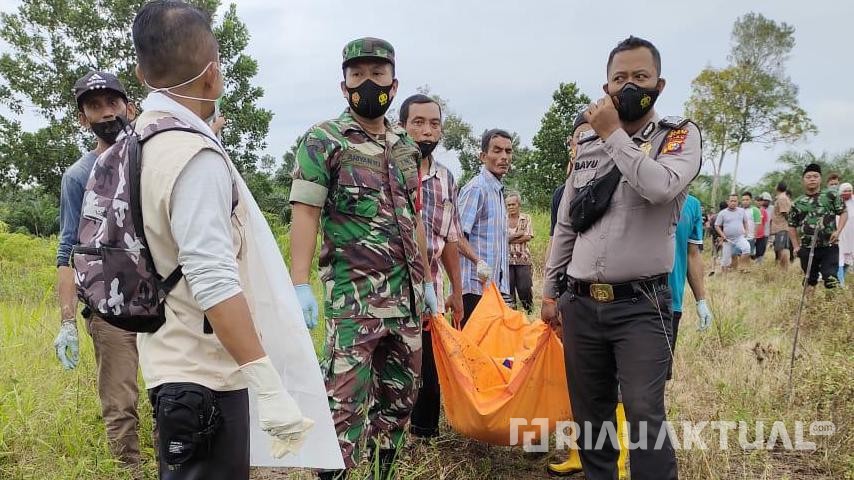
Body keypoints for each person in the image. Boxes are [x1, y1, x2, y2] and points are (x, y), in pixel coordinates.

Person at [131, 2, 320, 477]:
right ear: (212, 75)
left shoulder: (139, 142)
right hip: (204, 377)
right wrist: (269, 386)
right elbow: (213, 279)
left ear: (139, 73)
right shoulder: (192, 156)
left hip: (169, 363)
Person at [542, 35, 701, 480]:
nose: (629, 86)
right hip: (580, 304)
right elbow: (568, 223)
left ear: (659, 84)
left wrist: (613, 133)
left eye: (640, 77)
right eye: (619, 78)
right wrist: (550, 292)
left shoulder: (679, 136)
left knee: (644, 412)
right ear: (606, 85)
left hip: (641, 306)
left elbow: (660, 187)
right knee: (591, 415)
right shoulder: (585, 142)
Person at [288, 37, 438, 480]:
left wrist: (428, 281)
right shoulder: (324, 140)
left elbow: (413, 219)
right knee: (343, 406)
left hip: (405, 302)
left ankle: (382, 473)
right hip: (353, 305)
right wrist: (299, 283)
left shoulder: (405, 146)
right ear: (343, 85)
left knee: (400, 401)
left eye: (377, 74)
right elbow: (306, 212)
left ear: (394, 83)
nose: (367, 83)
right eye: (357, 76)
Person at [53, 70, 142, 476]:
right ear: (82, 118)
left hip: (166, 297)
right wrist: (68, 322)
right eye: (94, 106)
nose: (106, 112)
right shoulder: (78, 175)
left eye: (112, 103)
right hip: (109, 305)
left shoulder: (151, 157)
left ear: (130, 106)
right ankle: (129, 470)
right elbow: (67, 250)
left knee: (174, 390)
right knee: (120, 402)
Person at [398, 93, 464, 439]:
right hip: (393, 293)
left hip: (433, 293)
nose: (426, 131)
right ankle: (387, 438)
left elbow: (450, 237)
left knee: (430, 371)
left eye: (433, 124)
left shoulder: (446, 179)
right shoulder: (389, 172)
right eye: (418, 123)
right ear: (402, 126)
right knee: (396, 370)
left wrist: (456, 288)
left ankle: (423, 437)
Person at [458, 129, 513, 323]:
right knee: (472, 349)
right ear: (483, 156)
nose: (504, 157)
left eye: (508, 151)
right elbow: (456, 236)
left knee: (494, 350)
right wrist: (478, 261)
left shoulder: (497, 191)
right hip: (474, 288)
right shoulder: (477, 188)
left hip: (495, 289)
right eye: (497, 151)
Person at [667, 194, 713, 380]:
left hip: (670, 302)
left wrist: (700, 300)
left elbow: (692, 254)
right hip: (628, 300)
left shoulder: (692, 205)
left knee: (657, 379)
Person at [788, 164, 848, 292]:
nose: (812, 179)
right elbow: (792, 225)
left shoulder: (831, 196)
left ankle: (834, 307)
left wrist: (838, 231)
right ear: (803, 180)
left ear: (820, 179)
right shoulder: (797, 203)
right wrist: (796, 246)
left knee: (830, 276)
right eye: (808, 177)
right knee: (810, 279)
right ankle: (810, 307)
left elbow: (843, 212)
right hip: (807, 247)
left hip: (829, 246)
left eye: (815, 176)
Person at [506, 192, 534, 313]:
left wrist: (508, 239)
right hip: (506, 260)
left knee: (525, 287)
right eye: (508, 205)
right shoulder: (503, 219)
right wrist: (517, 234)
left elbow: (528, 237)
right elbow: (500, 239)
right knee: (509, 289)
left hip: (523, 259)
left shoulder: (525, 218)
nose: (511, 207)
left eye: (513, 204)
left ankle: (529, 311)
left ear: (519, 205)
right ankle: (513, 315)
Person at [715, 194, 752, 272]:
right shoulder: (722, 213)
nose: (733, 203)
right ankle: (724, 278)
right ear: (728, 202)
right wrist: (723, 235)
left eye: (735, 201)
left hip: (739, 237)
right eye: (731, 201)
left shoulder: (741, 211)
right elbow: (717, 226)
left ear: (737, 202)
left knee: (747, 248)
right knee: (725, 261)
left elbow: (745, 221)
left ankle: (742, 268)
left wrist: (746, 230)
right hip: (727, 240)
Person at [771, 182, 793, 270]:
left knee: (783, 248)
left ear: (777, 187)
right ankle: (782, 268)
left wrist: (790, 224)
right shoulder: (781, 198)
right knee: (780, 248)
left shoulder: (782, 198)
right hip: (779, 227)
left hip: (782, 227)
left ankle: (784, 269)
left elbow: (785, 212)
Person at [838, 183, 854, 285]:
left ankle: (841, 281)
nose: (847, 193)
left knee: (848, 260)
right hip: (839, 235)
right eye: (845, 191)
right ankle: (840, 284)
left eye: (849, 190)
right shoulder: (837, 202)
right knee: (839, 259)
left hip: (851, 236)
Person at [753, 192, 771, 261]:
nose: (759, 202)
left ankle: (758, 267)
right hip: (752, 235)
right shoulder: (752, 210)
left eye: (760, 201)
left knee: (760, 253)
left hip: (761, 235)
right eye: (757, 200)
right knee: (751, 253)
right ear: (755, 201)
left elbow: (765, 223)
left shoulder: (764, 211)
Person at [741, 191, 760, 256]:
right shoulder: (739, 210)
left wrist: (754, 237)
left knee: (748, 256)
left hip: (751, 238)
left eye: (747, 200)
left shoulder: (755, 210)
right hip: (741, 238)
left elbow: (757, 224)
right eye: (743, 200)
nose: (745, 201)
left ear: (751, 200)